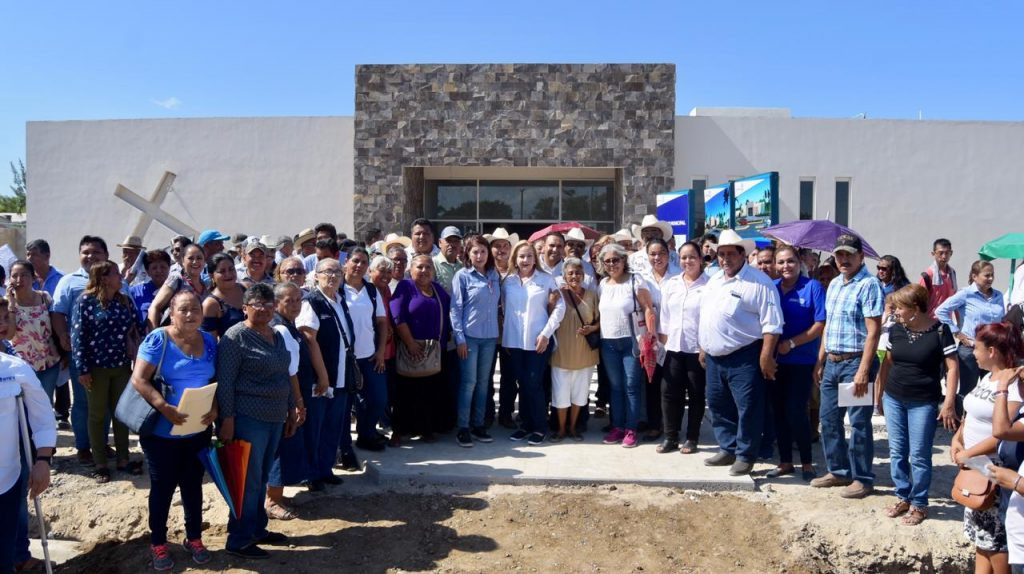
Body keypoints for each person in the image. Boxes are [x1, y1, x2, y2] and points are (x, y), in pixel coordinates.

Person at [130, 291, 217, 570]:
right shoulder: (159, 339)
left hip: (198, 429)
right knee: (163, 487)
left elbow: (215, 379)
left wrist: (215, 409)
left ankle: (194, 538)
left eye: (195, 309)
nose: (190, 314)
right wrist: (164, 406)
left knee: (193, 485)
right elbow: (139, 379)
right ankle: (158, 543)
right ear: (172, 311)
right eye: (184, 309)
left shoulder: (209, 340)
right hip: (161, 432)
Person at [217, 283, 297, 559]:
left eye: (268, 303)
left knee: (260, 478)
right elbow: (225, 383)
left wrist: (290, 409)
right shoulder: (234, 337)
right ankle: (239, 538)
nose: (263, 309)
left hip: (275, 416)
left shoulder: (277, 335)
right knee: (247, 481)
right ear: (245, 308)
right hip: (248, 417)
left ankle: (257, 529)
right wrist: (226, 419)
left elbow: (283, 375)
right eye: (257, 304)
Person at [698, 230, 783, 476]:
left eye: (729, 254)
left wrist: (766, 357)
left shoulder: (759, 282)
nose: (724, 259)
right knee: (717, 404)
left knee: (748, 407)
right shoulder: (714, 279)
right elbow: (707, 316)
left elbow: (772, 325)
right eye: (720, 254)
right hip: (714, 357)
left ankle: (746, 454)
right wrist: (704, 347)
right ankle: (728, 448)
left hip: (744, 356)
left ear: (742, 255)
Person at [873, 284, 958, 527]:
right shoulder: (896, 330)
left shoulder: (940, 332)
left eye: (899, 307)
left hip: (923, 402)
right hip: (894, 398)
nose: (894, 311)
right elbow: (887, 363)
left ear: (915, 309)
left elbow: (952, 368)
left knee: (919, 455)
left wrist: (949, 402)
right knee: (897, 451)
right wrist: (879, 393)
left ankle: (919, 503)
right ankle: (902, 496)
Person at [811, 234, 884, 498]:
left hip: (855, 363)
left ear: (860, 257)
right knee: (828, 420)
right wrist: (819, 361)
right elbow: (829, 326)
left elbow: (873, 331)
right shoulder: (834, 285)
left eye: (849, 255)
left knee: (859, 423)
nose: (843, 259)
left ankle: (863, 478)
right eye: (840, 254)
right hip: (832, 362)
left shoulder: (869, 285)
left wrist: (864, 369)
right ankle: (839, 471)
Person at [951, 322, 1024, 573]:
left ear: (992, 351)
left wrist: (968, 454)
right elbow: (970, 414)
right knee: (981, 541)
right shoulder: (986, 377)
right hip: (975, 469)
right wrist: (957, 439)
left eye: (977, 348)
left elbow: (1003, 431)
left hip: (996, 473)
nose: (973, 352)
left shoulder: (1012, 385)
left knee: (998, 546)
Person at [71, 260, 146, 482]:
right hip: (95, 368)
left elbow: (136, 328)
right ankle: (100, 463)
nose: (120, 275)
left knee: (121, 413)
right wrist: (82, 369)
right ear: (104, 277)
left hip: (121, 366)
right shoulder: (85, 301)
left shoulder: (123, 300)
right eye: (115, 273)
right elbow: (78, 337)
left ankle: (123, 458)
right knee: (97, 414)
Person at [768, 245, 825, 481]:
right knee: (778, 412)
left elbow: (819, 324)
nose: (785, 267)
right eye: (780, 262)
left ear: (799, 261)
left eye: (790, 261)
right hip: (774, 361)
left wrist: (791, 343)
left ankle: (807, 462)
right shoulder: (771, 288)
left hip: (802, 361)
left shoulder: (812, 287)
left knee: (796, 411)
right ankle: (784, 462)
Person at [298, 258, 360, 475]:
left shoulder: (340, 300)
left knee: (333, 428)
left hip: (342, 375)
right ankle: (312, 475)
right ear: (316, 276)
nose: (333, 276)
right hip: (321, 379)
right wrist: (323, 376)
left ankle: (325, 471)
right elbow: (309, 339)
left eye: (337, 272)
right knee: (316, 428)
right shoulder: (311, 302)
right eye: (327, 271)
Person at [51, 235, 110, 463]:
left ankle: (102, 444)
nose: (90, 256)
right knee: (84, 402)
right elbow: (58, 312)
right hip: (81, 354)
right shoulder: (68, 281)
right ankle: (84, 446)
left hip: (110, 356)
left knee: (104, 401)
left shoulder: (116, 279)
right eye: (85, 252)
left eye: (96, 252)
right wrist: (63, 335)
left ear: (105, 256)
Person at [501, 240, 564, 444]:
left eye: (529, 256)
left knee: (534, 383)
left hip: (539, 341)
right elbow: (503, 308)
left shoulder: (546, 280)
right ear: (515, 259)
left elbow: (559, 307)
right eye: (521, 256)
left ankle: (539, 426)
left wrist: (546, 333)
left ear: (535, 258)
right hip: (514, 342)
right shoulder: (508, 281)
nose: (525, 260)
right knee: (523, 383)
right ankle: (526, 425)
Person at [0, 354, 56, 574]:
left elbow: (42, 418)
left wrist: (42, 460)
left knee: (3, 561)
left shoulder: (14, 368)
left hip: (6, 481)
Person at [598, 242, 656, 449]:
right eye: (608, 261)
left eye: (616, 259)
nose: (612, 264)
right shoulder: (603, 284)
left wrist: (650, 335)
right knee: (615, 387)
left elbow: (648, 308)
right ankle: (617, 426)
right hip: (608, 342)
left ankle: (631, 428)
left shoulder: (635, 280)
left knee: (631, 386)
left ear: (624, 260)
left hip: (632, 340)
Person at [390, 254, 452, 442]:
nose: (424, 271)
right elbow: (397, 316)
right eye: (420, 267)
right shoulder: (405, 287)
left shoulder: (438, 290)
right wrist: (410, 343)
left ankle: (425, 429)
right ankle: (400, 431)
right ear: (411, 269)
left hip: (433, 351)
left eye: (428, 267)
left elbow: (449, 313)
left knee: (429, 392)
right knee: (405, 392)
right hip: (410, 349)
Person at [450, 235, 501, 447]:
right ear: (468, 255)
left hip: (490, 337)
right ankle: (463, 427)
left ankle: (478, 424)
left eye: (483, 251)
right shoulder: (462, 276)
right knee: (468, 383)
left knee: (483, 384)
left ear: (488, 253)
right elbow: (456, 309)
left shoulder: (494, 275)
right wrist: (459, 338)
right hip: (469, 338)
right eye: (475, 252)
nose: (479, 256)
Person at [658, 241, 708, 454]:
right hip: (674, 347)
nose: (687, 261)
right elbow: (664, 315)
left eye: (692, 257)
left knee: (696, 394)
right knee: (669, 393)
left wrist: (706, 346)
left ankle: (692, 437)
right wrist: (663, 340)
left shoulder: (710, 285)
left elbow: (710, 318)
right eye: (683, 257)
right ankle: (671, 436)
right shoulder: (671, 284)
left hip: (698, 349)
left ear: (701, 259)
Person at [266, 282, 311, 519]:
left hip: (287, 396)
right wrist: (298, 403)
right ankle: (272, 501)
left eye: (298, 300)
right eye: (288, 301)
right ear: (276, 304)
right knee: (281, 448)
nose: (294, 305)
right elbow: (289, 371)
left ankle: (277, 496)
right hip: (285, 398)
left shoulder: (289, 326)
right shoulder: (281, 329)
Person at [936, 259, 1006, 406]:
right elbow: (941, 311)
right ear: (974, 276)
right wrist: (957, 332)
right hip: (970, 349)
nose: (991, 279)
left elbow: (1002, 320)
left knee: (992, 390)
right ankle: (963, 424)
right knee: (968, 390)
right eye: (987, 275)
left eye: (992, 275)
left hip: (993, 350)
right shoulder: (966, 294)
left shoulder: (998, 295)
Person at [342, 247, 390, 452]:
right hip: (344, 358)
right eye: (355, 261)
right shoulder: (337, 289)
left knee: (379, 399)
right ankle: (344, 446)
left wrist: (380, 352)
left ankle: (367, 434)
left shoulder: (371, 291)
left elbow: (381, 322)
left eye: (363, 262)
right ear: (346, 262)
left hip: (369, 356)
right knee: (346, 406)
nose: (359, 265)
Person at [551, 258, 599, 441]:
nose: (574, 276)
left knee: (580, 395)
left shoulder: (592, 295)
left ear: (583, 275)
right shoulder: (558, 295)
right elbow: (547, 318)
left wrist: (592, 329)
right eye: (570, 273)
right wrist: (550, 303)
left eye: (578, 272)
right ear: (564, 276)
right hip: (561, 353)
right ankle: (561, 429)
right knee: (560, 395)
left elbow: (601, 321)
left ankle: (573, 428)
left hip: (585, 353)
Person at [639, 237, 679, 441]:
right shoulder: (641, 278)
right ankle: (654, 424)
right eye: (653, 254)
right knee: (652, 383)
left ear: (669, 253)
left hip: (674, 338)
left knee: (672, 385)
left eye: (661, 253)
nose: (657, 257)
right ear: (647, 256)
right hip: (650, 339)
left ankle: (673, 426)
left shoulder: (679, 276)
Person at [6, 260, 62, 401]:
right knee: (25, 406)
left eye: (24, 275)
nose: (19, 280)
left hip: (49, 362)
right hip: (22, 366)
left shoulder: (44, 297)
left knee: (45, 403)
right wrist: (12, 305)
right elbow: (9, 334)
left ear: (33, 277)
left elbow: (56, 326)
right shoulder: (5, 305)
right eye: (14, 276)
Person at [148, 244, 208, 330]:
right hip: (173, 337)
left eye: (199, 258)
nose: (195, 262)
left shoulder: (206, 287)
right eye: (191, 258)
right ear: (183, 261)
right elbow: (154, 307)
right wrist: (154, 336)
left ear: (204, 261)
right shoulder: (176, 280)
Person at [202, 253, 246, 338]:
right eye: (222, 271)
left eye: (231, 269)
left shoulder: (247, 288)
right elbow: (211, 342)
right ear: (211, 275)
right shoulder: (210, 304)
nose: (228, 274)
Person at [128, 249, 172, 325]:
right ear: (147, 272)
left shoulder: (178, 289)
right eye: (154, 268)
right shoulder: (134, 292)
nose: (159, 270)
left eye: (163, 267)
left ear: (169, 268)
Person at [920, 238, 957, 318]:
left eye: (947, 253)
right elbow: (920, 300)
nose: (944, 256)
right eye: (940, 253)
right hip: (931, 322)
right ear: (933, 253)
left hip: (947, 320)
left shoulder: (952, 273)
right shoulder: (928, 275)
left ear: (951, 253)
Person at [434, 226, 463, 293]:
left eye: (456, 241)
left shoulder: (462, 267)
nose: (452, 244)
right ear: (440, 243)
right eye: (448, 240)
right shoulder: (432, 264)